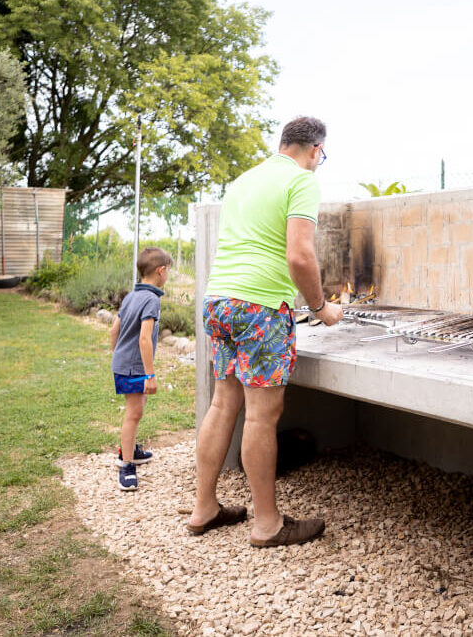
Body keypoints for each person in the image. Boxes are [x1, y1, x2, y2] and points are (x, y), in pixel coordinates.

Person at [187, 115, 342, 546]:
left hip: (219, 301)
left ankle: (204, 509)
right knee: (261, 414)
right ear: (314, 150)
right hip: (259, 308)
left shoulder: (243, 181)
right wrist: (320, 307)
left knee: (223, 405)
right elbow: (300, 257)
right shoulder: (302, 181)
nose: (319, 162)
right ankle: (268, 524)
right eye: (321, 156)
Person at [110, 247, 173, 490]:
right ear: (161, 270)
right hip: (135, 367)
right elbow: (144, 339)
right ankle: (126, 464)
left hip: (123, 363)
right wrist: (150, 375)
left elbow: (113, 329)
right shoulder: (151, 300)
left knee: (136, 409)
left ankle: (130, 449)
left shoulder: (130, 297)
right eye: (168, 271)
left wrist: (118, 356)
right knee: (134, 413)